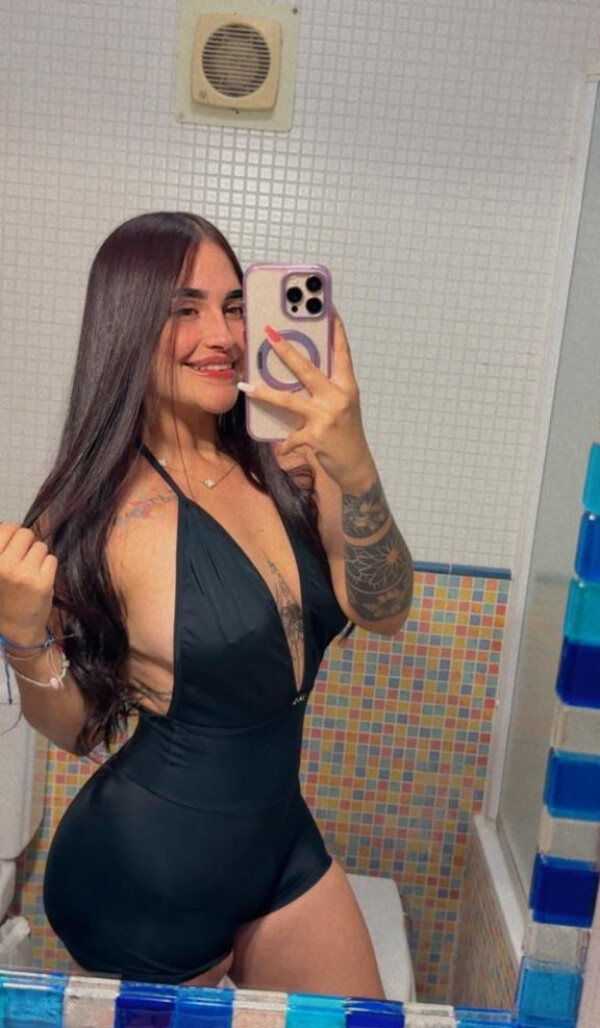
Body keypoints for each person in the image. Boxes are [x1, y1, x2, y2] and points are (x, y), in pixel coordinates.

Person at [0, 212, 413, 997]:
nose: (221, 335)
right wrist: (24, 638)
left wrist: (354, 464)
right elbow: (77, 729)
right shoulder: (91, 514)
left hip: (279, 844)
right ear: (127, 323)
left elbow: (385, 609)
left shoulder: (288, 462)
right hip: (147, 878)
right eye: (184, 310)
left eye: (234, 306)